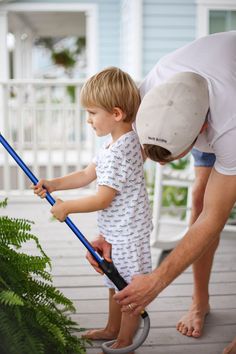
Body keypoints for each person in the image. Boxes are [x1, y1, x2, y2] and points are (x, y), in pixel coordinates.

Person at [86, 31, 236, 354]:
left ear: (201, 131)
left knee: (213, 205)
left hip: (228, 103)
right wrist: (106, 233)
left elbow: (215, 217)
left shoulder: (229, 128)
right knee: (198, 198)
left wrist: (156, 281)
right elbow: (119, 175)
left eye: (170, 158)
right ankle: (200, 301)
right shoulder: (149, 94)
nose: (163, 167)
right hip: (199, 95)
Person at [32, 67, 153, 353]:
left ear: (116, 113)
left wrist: (67, 208)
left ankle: (124, 339)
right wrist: (53, 184)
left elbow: (102, 199)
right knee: (115, 281)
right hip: (118, 230)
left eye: (92, 113)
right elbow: (87, 174)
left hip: (128, 235)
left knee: (127, 289)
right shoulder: (116, 144)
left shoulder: (120, 152)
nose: (88, 120)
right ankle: (112, 328)